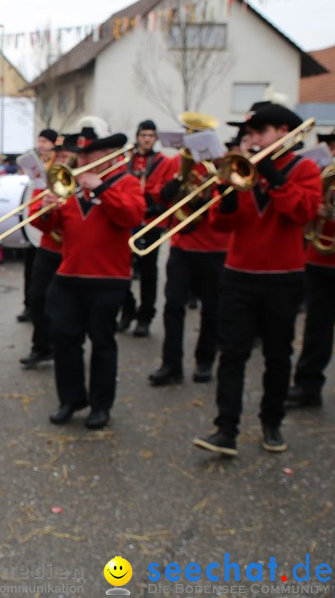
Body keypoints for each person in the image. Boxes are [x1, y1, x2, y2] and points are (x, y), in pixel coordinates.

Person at [194, 103, 322, 456]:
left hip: (283, 277)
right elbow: (220, 224)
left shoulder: (305, 168)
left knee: (278, 356)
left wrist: (272, 175)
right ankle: (226, 429)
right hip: (238, 275)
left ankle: (271, 422)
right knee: (232, 354)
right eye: (248, 134)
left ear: (283, 132)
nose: (250, 140)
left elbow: (303, 212)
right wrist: (230, 194)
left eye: (258, 133)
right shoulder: (241, 170)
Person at [31, 132, 145, 429]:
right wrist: (46, 207)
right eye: (79, 157)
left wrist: (103, 187)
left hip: (108, 279)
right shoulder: (69, 186)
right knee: (64, 339)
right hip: (68, 276)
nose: (81, 162)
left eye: (88, 156)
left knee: (102, 343)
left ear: (109, 155)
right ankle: (71, 399)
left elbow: (131, 216)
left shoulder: (127, 183)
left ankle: (101, 405)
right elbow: (44, 226)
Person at [143, 116, 231, 386]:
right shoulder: (174, 162)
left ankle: (205, 360)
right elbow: (156, 192)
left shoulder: (222, 163)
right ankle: (171, 364)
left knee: (212, 308)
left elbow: (229, 201)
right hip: (181, 243)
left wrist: (206, 195)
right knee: (173, 305)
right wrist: (168, 190)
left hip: (214, 245)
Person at [284, 129, 335, 409]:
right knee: (317, 327)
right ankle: (307, 386)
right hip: (321, 258)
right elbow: (305, 211)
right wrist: (318, 210)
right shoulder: (323, 174)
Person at [19, 132, 80, 369]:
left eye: (66, 154)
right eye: (59, 153)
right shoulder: (49, 176)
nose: (62, 158)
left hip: (73, 249)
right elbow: (34, 215)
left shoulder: (84, 175)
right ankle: (42, 347)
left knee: (68, 305)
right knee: (37, 297)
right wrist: (44, 209)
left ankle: (66, 347)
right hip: (49, 247)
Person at [118, 120, 166, 337]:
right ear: (137, 136)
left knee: (148, 272)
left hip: (150, 221)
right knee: (121, 270)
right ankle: (127, 310)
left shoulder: (163, 162)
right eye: (144, 135)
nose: (147, 139)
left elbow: (165, 190)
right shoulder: (126, 159)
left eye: (151, 135)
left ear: (155, 139)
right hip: (128, 221)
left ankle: (145, 316)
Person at [18, 128, 59, 324]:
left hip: (48, 220)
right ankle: (29, 305)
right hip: (33, 218)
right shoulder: (37, 162)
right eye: (39, 140)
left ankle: (43, 311)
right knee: (30, 269)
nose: (41, 144)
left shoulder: (57, 164)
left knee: (42, 275)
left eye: (45, 141)